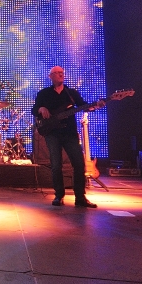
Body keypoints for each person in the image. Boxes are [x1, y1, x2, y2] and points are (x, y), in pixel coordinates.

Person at [32, 66, 102, 208]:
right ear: (50, 76)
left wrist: (96, 106)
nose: (60, 75)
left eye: (62, 73)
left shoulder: (71, 93)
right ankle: (59, 195)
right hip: (53, 134)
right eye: (57, 73)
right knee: (56, 165)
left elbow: (83, 105)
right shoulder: (44, 94)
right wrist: (41, 108)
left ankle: (80, 197)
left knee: (78, 164)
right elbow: (34, 109)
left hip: (70, 133)